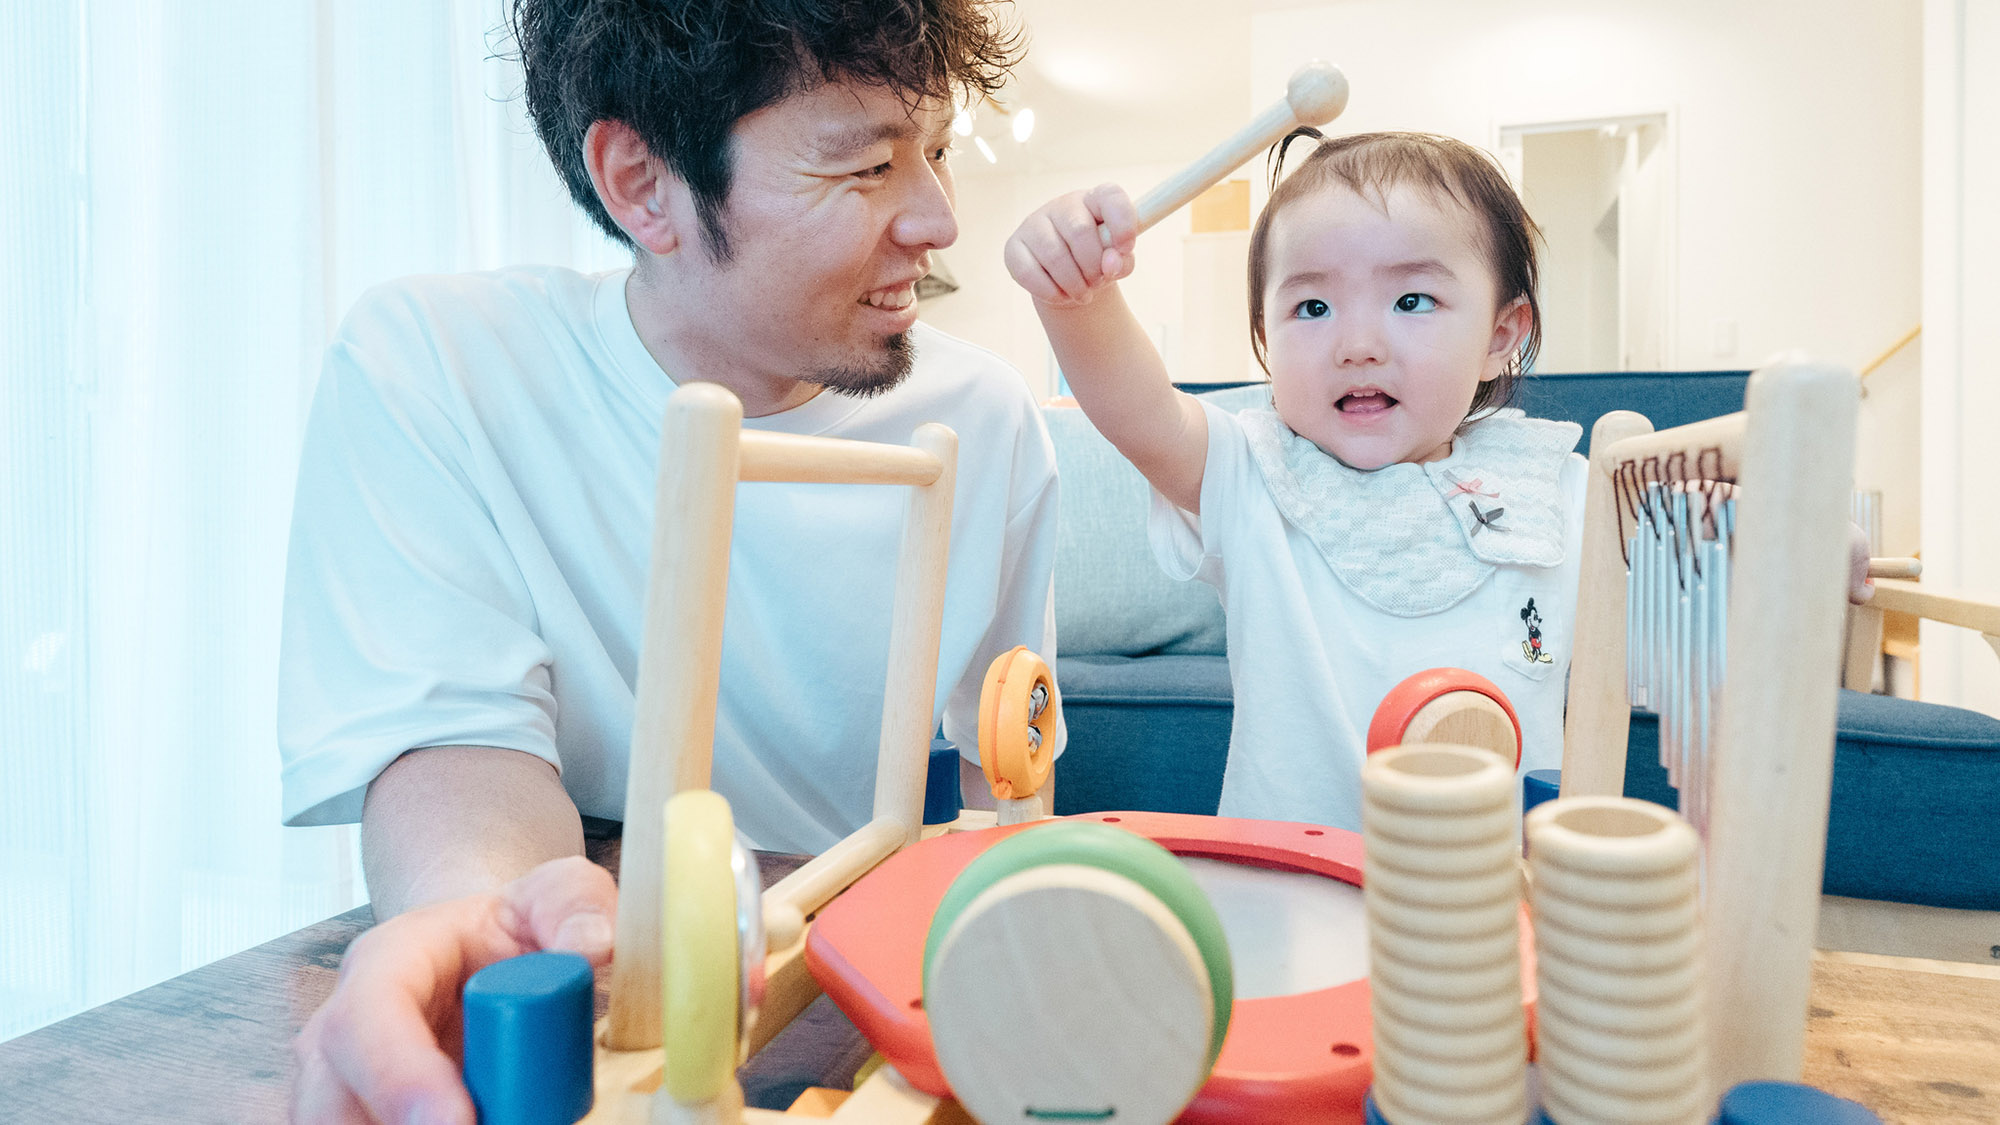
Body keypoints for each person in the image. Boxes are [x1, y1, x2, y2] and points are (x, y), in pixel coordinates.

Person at [286, 1, 1051, 1120]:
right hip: (648, 1004)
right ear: (642, 184)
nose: (937, 221)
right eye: (871, 165)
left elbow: (999, 777)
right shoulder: (437, 368)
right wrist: (501, 931)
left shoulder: (981, 421)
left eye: (935, 150)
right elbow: (460, 748)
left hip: (854, 999)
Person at [1005, 128, 1871, 833]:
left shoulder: (1556, 490)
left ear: (1503, 334)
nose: (1357, 341)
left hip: (1498, 900)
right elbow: (1139, 410)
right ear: (1265, 343)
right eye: (1311, 306)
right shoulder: (1252, 473)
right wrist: (1077, 301)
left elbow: (1701, 548)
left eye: (1411, 300)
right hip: (1290, 891)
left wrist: (1799, 538)